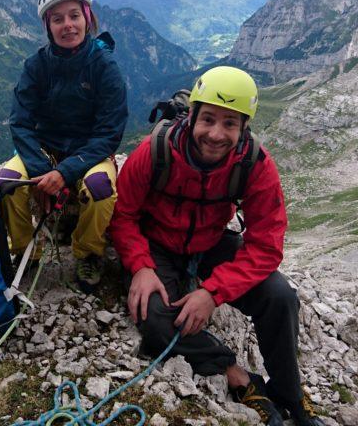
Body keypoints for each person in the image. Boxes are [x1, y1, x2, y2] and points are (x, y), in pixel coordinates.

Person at [110, 66, 323, 426]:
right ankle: (238, 376)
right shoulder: (154, 151)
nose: (216, 134)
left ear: (244, 128)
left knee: (280, 296)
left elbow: (266, 246)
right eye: (207, 119)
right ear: (191, 115)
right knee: (155, 317)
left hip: (210, 244)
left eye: (230, 124)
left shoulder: (254, 164)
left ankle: (290, 395)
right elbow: (124, 216)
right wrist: (141, 266)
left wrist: (212, 292)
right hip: (157, 245)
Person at [0, 0, 128, 293]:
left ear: (87, 18)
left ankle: (87, 252)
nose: (67, 25)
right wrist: (42, 171)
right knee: (5, 183)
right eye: (57, 19)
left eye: (74, 16)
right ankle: (26, 252)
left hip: (90, 150)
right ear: (48, 26)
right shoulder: (36, 67)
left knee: (99, 188)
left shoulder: (104, 68)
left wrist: (65, 172)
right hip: (45, 149)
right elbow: (21, 122)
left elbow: (109, 132)